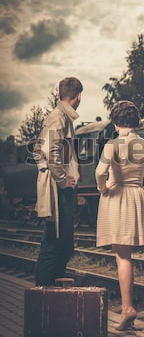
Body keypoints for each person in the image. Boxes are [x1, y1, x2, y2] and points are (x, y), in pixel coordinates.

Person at [95, 100, 144, 331]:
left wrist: (103, 188)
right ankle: (127, 308)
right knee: (125, 254)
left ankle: (128, 309)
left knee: (122, 255)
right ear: (136, 121)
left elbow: (100, 172)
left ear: (116, 122)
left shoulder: (113, 143)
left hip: (117, 196)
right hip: (136, 197)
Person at [33, 76, 83, 286]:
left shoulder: (61, 117)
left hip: (60, 187)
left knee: (63, 243)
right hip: (59, 189)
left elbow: (37, 150)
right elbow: (51, 153)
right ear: (78, 96)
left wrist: (45, 168)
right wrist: (63, 181)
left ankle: (52, 290)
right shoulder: (58, 118)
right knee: (54, 242)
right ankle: (44, 291)